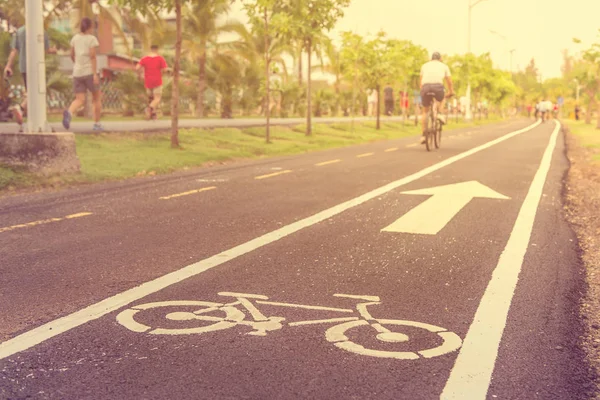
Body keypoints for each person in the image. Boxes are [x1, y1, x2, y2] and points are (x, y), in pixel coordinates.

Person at [3, 25, 55, 132]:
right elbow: (45, 50)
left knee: (31, 92)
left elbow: (14, 51)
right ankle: (20, 108)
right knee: (36, 93)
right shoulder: (41, 31)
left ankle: (27, 123)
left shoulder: (20, 32)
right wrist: (53, 50)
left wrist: (8, 66)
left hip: (24, 67)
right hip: (37, 66)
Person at [63, 17, 102, 131]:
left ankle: (69, 112)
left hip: (77, 73)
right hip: (90, 72)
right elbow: (93, 56)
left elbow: (71, 54)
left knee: (79, 100)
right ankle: (97, 124)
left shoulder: (75, 38)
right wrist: (94, 74)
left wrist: (77, 64)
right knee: (97, 99)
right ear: (90, 27)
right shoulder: (91, 39)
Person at [419, 51, 454, 144]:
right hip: (438, 87)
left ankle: (423, 135)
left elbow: (421, 82)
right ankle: (439, 113)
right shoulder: (444, 66)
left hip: (425, 87)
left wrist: (423, 91)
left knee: (425, 111)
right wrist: (451, 91)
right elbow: (449, 81)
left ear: (431, 58)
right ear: (440, 59)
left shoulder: (424, 65)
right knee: (443, 97)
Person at [136, 44, 168, 120]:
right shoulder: (160, 59)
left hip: (148, 81)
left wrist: (140, 74)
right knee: (157, 99)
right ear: (157, 50)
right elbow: (165, 69)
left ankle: (153, 115)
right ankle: (149, 109)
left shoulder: (144, 59)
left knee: (151, 98)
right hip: (157, 81)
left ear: (151, 49)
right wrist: (162, 73)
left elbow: (137, 67)